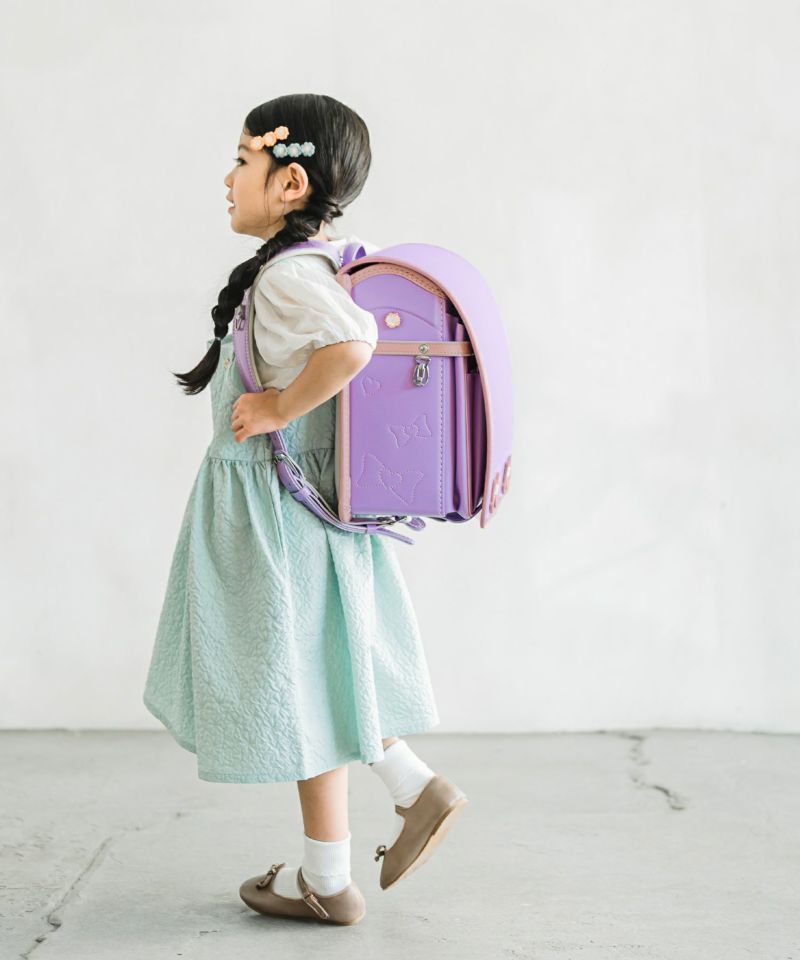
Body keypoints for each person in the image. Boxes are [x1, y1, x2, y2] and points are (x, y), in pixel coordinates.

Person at [142, 93, 467, 926]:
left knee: (301, 689)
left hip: (278, 519)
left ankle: (338, 871)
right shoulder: (305, 267)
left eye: (242, 161)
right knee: (316, 682)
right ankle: (383, 818)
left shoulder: (289, 276)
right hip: (302, 510)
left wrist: (280, 406)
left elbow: (352, 345)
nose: (228, 178)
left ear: (290, 183)